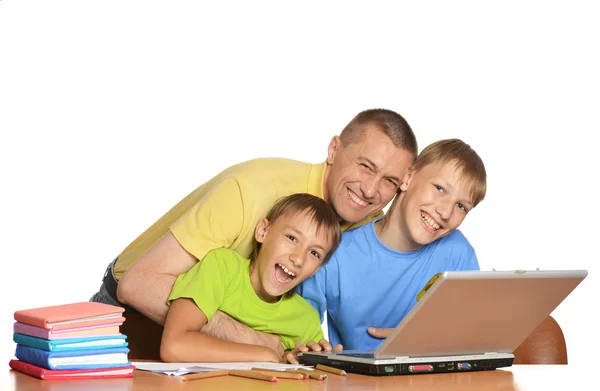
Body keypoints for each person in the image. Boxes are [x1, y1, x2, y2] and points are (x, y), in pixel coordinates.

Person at [90, 108, 418, 356]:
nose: (371, 190)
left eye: (390, 181)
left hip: (230, 353)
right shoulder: (248, 192)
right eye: (365, 166)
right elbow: (137, 285)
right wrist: (257, 341)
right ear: (333, 150)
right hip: (128, 320)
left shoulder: (364, 210)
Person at [296, 138, 487, 355]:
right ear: (408, 177)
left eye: (461, 206)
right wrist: (310, 347)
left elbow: (474, 336)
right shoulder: (336, 252)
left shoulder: (457, 253)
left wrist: (427, 337)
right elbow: (298, 328)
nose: (445, 212)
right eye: (440, 188)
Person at [160, 193, 342, 363]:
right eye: (292, 238)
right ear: (263, 231)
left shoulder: (306, 319)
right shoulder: (222, 266)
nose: (298, 258)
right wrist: (264, 354)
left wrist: (295, 360)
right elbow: (173, 345)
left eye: (314, 253)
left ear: (316, 269)